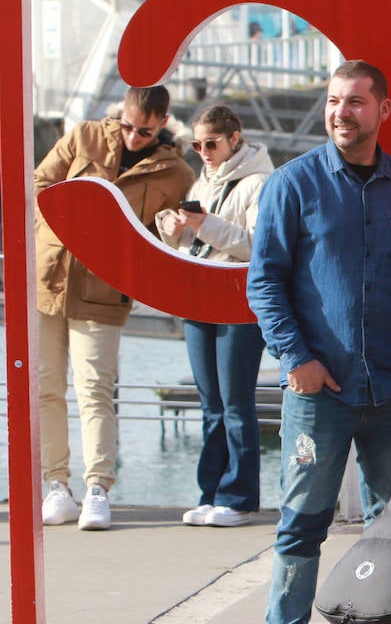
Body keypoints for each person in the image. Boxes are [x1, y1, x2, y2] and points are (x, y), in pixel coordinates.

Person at [247, 60, 391, 624]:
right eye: (335, 100)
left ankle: (378, 617)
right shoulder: (292, 185)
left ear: (382, 110)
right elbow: (263, 281)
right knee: (301, 522)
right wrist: (296, 358)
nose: (342, 112)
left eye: (356, 101)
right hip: (319, 393)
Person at [35, 84, 196, 531]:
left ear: (162, 122)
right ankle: (56, 486)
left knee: (95, 391)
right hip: (49, 278)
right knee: (46, 387)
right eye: (126, 126)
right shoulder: (83, 136)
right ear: (118, 115)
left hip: (105, 290)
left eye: (143, 131)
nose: (132, 136)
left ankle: (97, 489)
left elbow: (166, 241)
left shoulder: (176, 173)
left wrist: (173, 231)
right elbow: (40, 185)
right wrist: (62, 233)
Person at [156, 103, 274, 528]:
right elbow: (197, 249)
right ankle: (211, 493)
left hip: (239, 304)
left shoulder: (262, 182)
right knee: (212, 404)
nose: (203, 151)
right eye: (197, 144)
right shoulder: (204, 181)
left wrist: (203, 225)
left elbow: (259, 246)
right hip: (199, 300)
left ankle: (239, 497)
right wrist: (175, 229)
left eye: (211, 143)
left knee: (236, 403)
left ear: (235, 139)